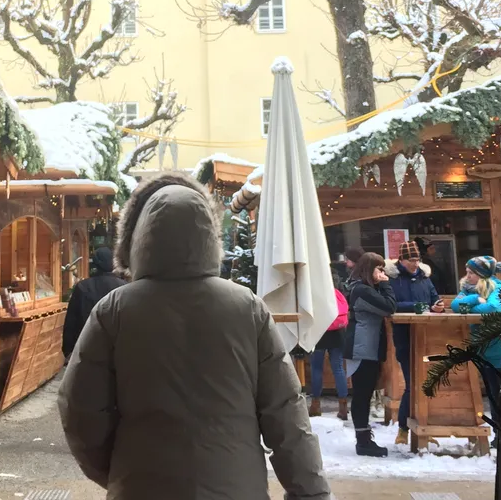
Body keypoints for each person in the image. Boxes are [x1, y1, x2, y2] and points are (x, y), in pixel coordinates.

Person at [59, 175, 329, 499]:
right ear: (208, 236)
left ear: (138, 239)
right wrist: (311, 493)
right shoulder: (247, 308)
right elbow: (286, 414)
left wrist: (118, 469)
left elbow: (79, 408)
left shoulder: (113, 311)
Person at [387, 240, 444, 446]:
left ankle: (425, 426)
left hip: (427, 336)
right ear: (401, 260)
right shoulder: (393, 279)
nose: (415, 263)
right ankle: (403, 428)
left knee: (426, 384)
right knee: (412, 383)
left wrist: (438, 306)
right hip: (404, 336)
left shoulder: (424, 278)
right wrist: (418, 306)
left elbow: (434, 298)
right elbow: (391, 304)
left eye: (417, 259)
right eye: (411, 260)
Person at [340, 251, 397, 457]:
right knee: (362, 394)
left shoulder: (362, 288)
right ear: (368, 269)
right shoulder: (362, 290)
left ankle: (363, 439)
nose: (382, 273)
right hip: (362, 348)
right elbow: (389, 307)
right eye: (379, 269)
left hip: (366, 347)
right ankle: (363, 441)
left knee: (364, 393)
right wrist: (386, 284)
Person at [450, 255, 501, 407]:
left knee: (500, 395)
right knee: (492, 395)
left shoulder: (498, 288)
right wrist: (476, 299)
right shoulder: (468, 289)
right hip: (481, 350)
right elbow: (455, 305)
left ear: (481, 274)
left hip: (498, 350)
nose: (467, 276)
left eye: (471, 273)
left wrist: (469, 309)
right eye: (467, 272)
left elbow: (493, 308)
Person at [61, 246, 124, 359]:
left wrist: (68, 350)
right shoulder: (123, 287)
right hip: (118, 350)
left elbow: (71, 322)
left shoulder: (83, 287)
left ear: (95, 263)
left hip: (88, 348)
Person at [307, 279, 349, 419]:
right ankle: (343, 406)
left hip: (319, 332)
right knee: (338, 368)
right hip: (337, 332)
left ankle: (315, 405)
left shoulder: (313, 292)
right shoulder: (336, 289)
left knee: (316, 368)